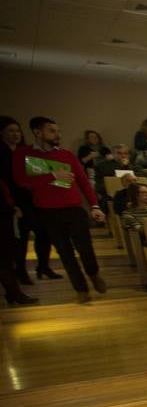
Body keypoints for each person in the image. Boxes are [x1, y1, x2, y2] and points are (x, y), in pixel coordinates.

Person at [12, 115, 107, 302]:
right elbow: (21, 181)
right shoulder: (24, 154)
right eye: (52, 131)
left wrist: (95, 205)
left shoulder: (66, 155)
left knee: (85, 248)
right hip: (47, 212)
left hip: (73, 209)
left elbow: (83, 182)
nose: (57, 134)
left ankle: (93, 273)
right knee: (65, 252)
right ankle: (80, 289)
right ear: (37, 132)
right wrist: (52, 175)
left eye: (58, 131)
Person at [1, 115, 52, 285]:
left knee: (44, 232)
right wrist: (12, 205)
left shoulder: (25, 151)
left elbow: (36, 172)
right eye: (11, 131)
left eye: (17, 130)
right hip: (14, 201)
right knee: (21, 239)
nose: (15, 134)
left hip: (32, 198)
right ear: (2, 133)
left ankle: (43, 266)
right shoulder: (2, 153)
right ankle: (21, 271)